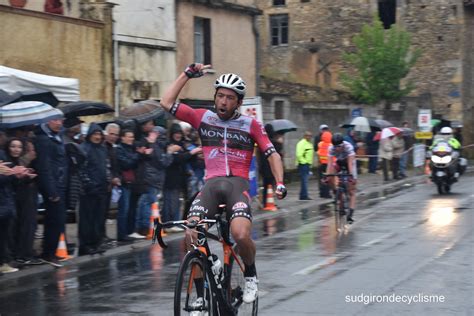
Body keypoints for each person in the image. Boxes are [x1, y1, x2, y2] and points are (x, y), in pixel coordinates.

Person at [159, 63, 286, 304]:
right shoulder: (202, 117)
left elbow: (272, 154)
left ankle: (250, 274)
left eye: (229, 98)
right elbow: (166, 102)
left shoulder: (251, 125)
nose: (223, 102)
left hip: (237, 187)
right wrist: (187, 74)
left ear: (239, 103)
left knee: (239, 233)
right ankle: (201, 293)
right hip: (211, 185)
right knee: (191, 233)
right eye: (220, 96)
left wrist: (279, 182)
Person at [34, 117, 69, 267]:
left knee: (58, 221)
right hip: (53, 186)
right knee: (54, 220)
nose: (59, 123)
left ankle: (51, 251)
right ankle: (48, 253)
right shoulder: (43, 140)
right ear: (47, 121)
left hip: (60, 184)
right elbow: (44, 167)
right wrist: (51, 190)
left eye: (61, 120)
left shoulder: (57, 137)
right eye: (55, 120)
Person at [78, 123, 109, 255]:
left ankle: (96, 242)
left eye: (99, 134)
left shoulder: (102, 149)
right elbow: (82, 169)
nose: (97, 137)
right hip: (89, 189)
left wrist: (107, 180)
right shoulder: (84, 148)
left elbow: (106, 166)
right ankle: (86, 245)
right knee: (87, 218)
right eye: (94, 134)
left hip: (101, 188)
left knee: (99, 218)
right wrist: (88, 184)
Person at [325, 133, 357, 223]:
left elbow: (350, 164)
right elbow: (330, 164)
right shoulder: (331, 148)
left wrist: (351, 176)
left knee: (352, 190)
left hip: (349, 162)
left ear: (342, 144)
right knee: (330, 176)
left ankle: (350, 213)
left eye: (339, 146)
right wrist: (328, 176)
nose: (337, 148)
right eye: (335, 146)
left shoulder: (348, 147)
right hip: (339, 162)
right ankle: (337, 193)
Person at [295, 131, 314, 200]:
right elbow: (299, 154)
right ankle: (304, 195)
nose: (309, 137)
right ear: (304, 136)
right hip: (303, 164)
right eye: (308, 136)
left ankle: (302, 195)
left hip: (307, 164)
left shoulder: (309, 144)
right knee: (304, 180)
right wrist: (304, 162)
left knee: (305, 180)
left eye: (310, 136)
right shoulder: (301, 143)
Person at [317, 130, 332, 198]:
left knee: (321, 179)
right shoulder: (331, 145)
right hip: (328, 165)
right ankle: (327, 194)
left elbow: (318, 153)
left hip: (321, 164)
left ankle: (321, 193)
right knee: (327, 179)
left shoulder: (320, 144)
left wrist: (319, 161)